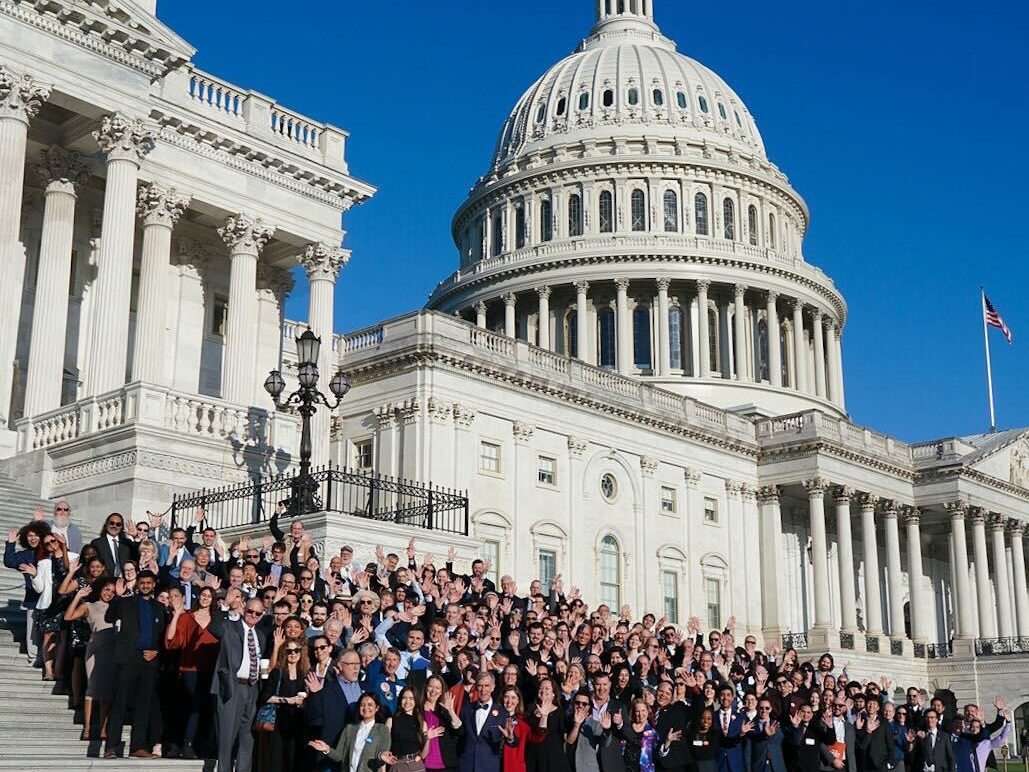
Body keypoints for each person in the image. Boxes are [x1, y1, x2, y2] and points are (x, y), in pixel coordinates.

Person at [104, 569, 166, 759]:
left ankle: (138, 746)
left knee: (144, 705)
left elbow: (163, 637)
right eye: (143, 582)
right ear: (137, 584)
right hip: (128, 658)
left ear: (154, 584)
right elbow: (109, 618)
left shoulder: (159, 607)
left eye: (149, 583)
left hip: (149, 661)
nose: (146, 585)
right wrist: (117, 597)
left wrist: (156, 652)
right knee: (120, 702)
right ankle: (111, 747)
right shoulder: (126, 602)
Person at [209, 597, 270, 772]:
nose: (253, 615)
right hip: (232, 686)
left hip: (252, 688)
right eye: (250, 611)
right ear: (244, 609)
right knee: (227, 736)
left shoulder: (260, 635)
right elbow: (213, 627)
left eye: (258, 613)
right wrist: (225, 607)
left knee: (248, 736)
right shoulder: (230, 627)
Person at [166, 584, 220, 759]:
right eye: (203, 595)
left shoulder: (218, 619)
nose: (205, 598)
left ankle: (203, 745)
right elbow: (171, 641)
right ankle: (187, 744)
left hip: (211, 669)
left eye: (209, 596)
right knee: (194, 705)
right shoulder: (187, 617)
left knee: (207, 708)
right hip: (190, 668)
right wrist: (177, 614)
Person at [64, 577, 117, 744]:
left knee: (107, 690)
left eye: (112, 591)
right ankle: (87, 727)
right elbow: (68, 616)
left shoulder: (117, 608)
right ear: (100, 589)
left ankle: (103, 728)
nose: (109, 593)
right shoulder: (89, 606)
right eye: (107, 589)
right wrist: (78, 596)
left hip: (112, 651)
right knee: (93, 687)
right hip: (95, 650)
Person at [257, 636, 310, 772]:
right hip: (279, 720)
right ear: (284, 653)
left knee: (295, 758)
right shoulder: (277, 672)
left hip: (298, 721)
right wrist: (288, 700)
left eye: (296, 650)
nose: (293, 654)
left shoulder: (305, 672)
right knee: (277, 759)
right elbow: (265, 697)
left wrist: (304, 701)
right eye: (289, 651)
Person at [29, 532, 76, 681]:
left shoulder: (74, 557)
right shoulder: (44, 563)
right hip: (49, 603)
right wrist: (34, 575)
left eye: (53, 541)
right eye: (47, 544)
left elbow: (74, 575)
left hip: (66, 603)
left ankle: (58, 670)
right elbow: (39, 588)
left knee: (62, 638)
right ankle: (48, 671)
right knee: (48, 636)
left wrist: (64, 546)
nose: (51, 545)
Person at [5, 520, 51, 665]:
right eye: (30, 535)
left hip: (50, 597)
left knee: (48, 631)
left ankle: (48, 658)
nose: (33, 538)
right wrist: (11, 543)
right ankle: (34, 657)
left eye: (36, 535)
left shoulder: (49, 552)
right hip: (32, 598)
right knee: (33, 630)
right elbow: (9, 561)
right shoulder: (25, 555)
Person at [309, 692, 393, 770]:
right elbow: (339, 756)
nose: (365, 708)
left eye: (370, 705)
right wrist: (327, 749)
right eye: (362, 705)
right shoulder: (349, 728)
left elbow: (380, 759)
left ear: (377, 708)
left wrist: (381, 757)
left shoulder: (382, 730)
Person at [457, 671, 508, 772]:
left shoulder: (502, 713)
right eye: (480, 685)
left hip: (489, 766)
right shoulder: (466, 709)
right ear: (476, 687)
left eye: (487, 685)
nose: (483, 689)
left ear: (493, 687)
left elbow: (513, 742)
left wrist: (510, 738)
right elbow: (460, 736)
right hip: (467, 765)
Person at [621, 697, 659, 772]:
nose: (640, 714)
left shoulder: (652, 732)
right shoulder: (627, 727)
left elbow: (657, 753)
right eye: (637, 711)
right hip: (624, 767)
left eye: (643, 710)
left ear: (648, 711)